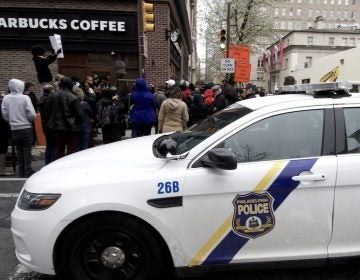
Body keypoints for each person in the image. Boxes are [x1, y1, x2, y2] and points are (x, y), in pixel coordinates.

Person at [1, 79, 36, 177]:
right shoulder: (25, 98)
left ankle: (21, 171)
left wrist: (11, 121)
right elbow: (32, 114)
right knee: (27, 149)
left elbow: (4, 113)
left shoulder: (6, 98)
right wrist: (28, 120)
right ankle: (27, 170)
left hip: (14, 128)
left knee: (19, 150)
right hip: (26, 127)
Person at [46, 76, 83, 159]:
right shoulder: (74, 97)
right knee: (71, 149)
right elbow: (80, 114)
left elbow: (47, 111)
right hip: (71, 127)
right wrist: (77, 124)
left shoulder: (52, 96)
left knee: (59, 148)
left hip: (56, 127)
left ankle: (58, 165)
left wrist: (47, 124)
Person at [38, 83, 57, 165]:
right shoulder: (51, 99)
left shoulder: (41, 99)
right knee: (54, 145)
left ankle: (47, 163)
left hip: (45, 125)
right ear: (51, 90)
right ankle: (52, 164)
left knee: (49, 145)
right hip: (52, 125)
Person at [0, 93, 14, 176]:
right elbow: (4, 116)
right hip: (2, 130)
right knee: (2, 149)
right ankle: (1, 170)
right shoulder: (2, 102)